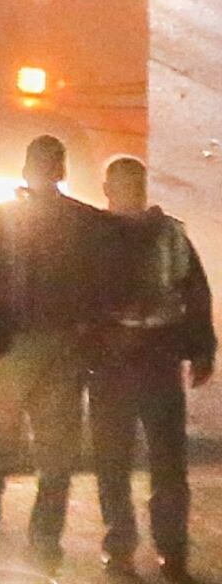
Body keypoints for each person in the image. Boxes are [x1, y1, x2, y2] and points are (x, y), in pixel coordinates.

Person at [0, 133, 124, 564]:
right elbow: (113, 285)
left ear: (26, 170)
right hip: (65, 350)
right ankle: (45, 543)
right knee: (56, 457)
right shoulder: (89, 224)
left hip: (7, 350)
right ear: (62, 171)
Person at [96, 154, 213, 580]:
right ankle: (157, 553)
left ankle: (138, 552)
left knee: (135, 463)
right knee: (148, 464)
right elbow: (195, 293)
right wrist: (202, 348)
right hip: (141, 358)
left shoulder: (101, 234)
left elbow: (195, 292)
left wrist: (202, 348)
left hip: (129, 360)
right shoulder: (167, 234)